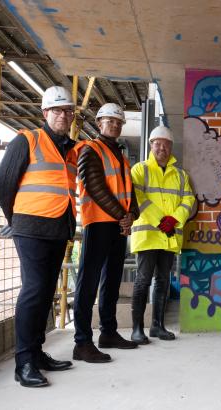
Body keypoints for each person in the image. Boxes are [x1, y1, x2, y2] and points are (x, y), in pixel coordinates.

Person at [0, 86, 77, 387]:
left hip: (57, 229)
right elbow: (3, 182)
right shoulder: (27, 140)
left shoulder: (69, 148)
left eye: (68, 110)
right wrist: (15, 220)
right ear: (45, 113)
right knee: (33, 290)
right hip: (30, 229)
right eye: (57, 110)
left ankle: (38, 354)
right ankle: (24, 363)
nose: (63, 115)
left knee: (44, 292)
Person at [72, 103, 139, 363]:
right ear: (99, 123)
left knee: (111, 280)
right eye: (109, 120)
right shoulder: (91, 150)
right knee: (87, 284)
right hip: (99, 223)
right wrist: (123, 216)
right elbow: (95, 187)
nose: (114, 124)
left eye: (118, 121)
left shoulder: (120, 155)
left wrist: (131, 213)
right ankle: (82, 342)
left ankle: (108, 332)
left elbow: (129, 191)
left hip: (118, 226)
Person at [130, 126, 195, 344]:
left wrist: (174, 220)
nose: (161, 147)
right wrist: (161, 221)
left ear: (171, 147)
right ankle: (137, 329)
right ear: (151, 145)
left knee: (163, 282)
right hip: (148, 235)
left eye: (166, 144)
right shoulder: (140, 170)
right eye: (157, 143)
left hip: (169, 237)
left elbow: (189, 200)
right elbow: (138, 197)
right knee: (142, 281)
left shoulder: (180, 175)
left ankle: (158, 326)